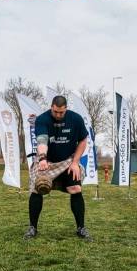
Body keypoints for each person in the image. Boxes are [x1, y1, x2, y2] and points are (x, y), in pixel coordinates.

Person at [24, 95, 92, 240]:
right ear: (51, 107)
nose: (58, 115)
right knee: (37, 188)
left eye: (61, 112)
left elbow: (83, 140)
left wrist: (75, 162)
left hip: (68, 161)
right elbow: (42, 140)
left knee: (76, 188)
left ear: (66, 108)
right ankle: (32, 228)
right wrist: (42, 158)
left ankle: (81, 228)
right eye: (55, 112)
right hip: (47, 161)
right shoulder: (42, 119)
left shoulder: (76, 119)